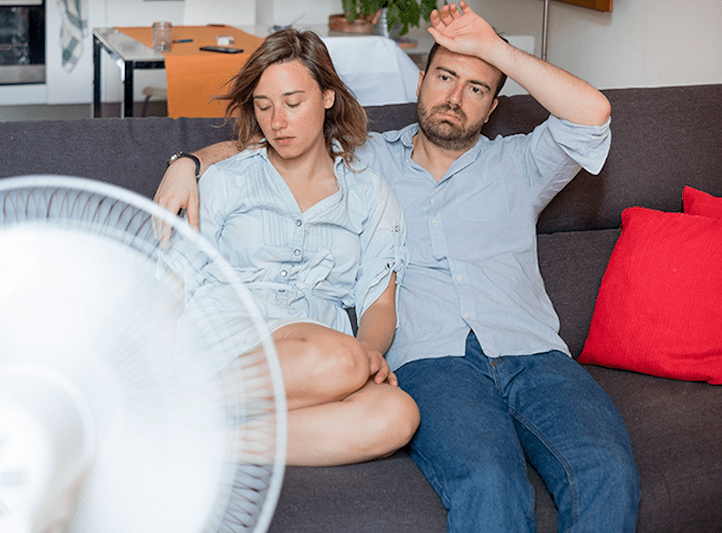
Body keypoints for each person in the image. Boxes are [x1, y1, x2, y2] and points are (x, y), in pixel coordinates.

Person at [155, 3, 640, 530]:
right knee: (488, 481)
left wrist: (493, 49)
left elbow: (592, 115)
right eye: (445, 77)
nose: (454, 97)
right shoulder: (368, 162)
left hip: (534, 353)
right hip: (435, 364)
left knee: (607, 470)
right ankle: (170, 412)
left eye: (476, 88)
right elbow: (283, 134)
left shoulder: (522, 163)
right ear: (420, 81)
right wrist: (189, 161)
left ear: (493, 105)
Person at [161, 28, 419, 468]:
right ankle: (172, 399)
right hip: (226, 340)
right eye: (264, 107)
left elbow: (378, 304)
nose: (277, 122)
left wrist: (370, 352)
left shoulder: (369, 194)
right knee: (341, 360)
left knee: (397, 414)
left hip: (313, 361)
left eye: (293, 103)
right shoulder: (228, 180)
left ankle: (198, 435)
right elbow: (174, 278)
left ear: (328, 97)